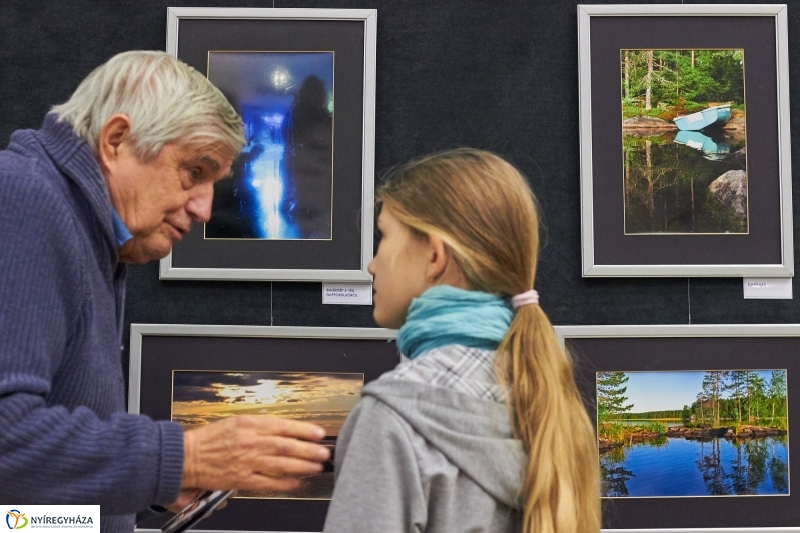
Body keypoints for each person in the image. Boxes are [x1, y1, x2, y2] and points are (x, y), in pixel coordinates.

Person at [0, 51, 330, 532]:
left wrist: (148, 487)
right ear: (116, 141)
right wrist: (182, 459)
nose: (203, 208)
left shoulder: (92, 233)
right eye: (194, 172)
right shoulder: (24, 198)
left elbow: (17, 516)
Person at [323, 148, 601, 533]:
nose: (372, 264)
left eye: (383, 237)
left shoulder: (391, 417)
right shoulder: (548, 396)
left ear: (435, 256)